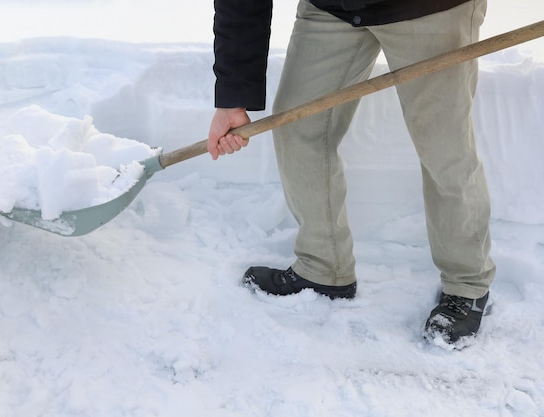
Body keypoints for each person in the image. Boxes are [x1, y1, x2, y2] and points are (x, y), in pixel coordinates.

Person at [207, 0, 496, 348]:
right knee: (299, 128)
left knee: (444, 146)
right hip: (333, 8)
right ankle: (323, 268)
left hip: (430, 8)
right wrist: (232, 97)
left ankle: (467, 285)